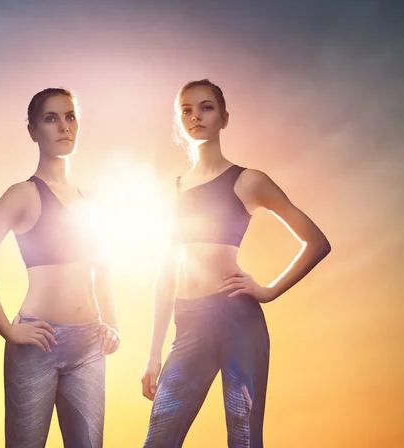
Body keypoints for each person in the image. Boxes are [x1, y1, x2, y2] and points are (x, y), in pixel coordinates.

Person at [141, 79, 331, 447]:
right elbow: (165, 276)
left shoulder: (248, 181)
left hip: (238, 322)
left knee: (243, 438)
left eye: (206, 107)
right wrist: (152, 356)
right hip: (189, 323)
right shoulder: (172, 190)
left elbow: (316, 242)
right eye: (186, 110)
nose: (196, 116)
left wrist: (269, 291)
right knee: (159, 438)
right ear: (179, 120)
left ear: (224, 118)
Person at [0, 88, 120, 448]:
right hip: (38, 344)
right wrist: (7, 330)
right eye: (51, 118)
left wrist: (113, 323)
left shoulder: (90, 200)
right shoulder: (23, 194)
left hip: (90, 347)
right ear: (32, 130)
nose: (64, 126)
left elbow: (104, 265)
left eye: (70, 116)